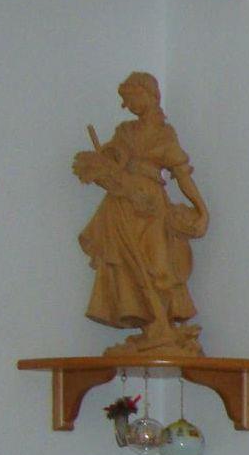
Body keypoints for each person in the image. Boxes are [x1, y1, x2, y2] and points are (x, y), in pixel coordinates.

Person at [72, 72, 208, 356]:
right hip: (123, 205)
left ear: (150, 94)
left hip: (151, 206)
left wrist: (201, 210)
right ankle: (154, 328)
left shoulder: (164, 134)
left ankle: (163, 328)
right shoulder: (125, 132)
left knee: (159, 266)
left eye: (132, 97)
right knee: (130, 269)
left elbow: (182, 174)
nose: (128, 105)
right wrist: (103, 165)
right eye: (125, 100)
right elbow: (113, 160)